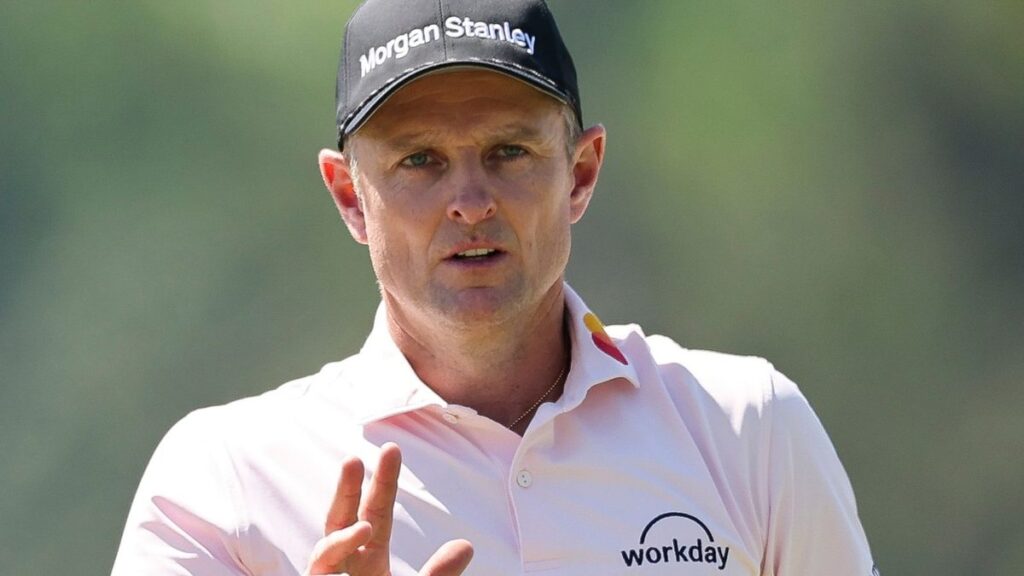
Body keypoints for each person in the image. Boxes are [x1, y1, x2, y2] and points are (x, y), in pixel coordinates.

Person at [112, 0, 878, 574]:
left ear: (580, 173)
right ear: (350, 196)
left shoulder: (749, 429)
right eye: (419, 161)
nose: (470, 201)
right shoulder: (224, 477)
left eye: (508, 151)